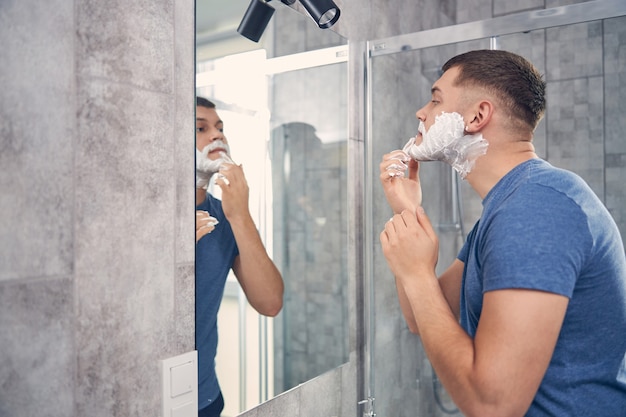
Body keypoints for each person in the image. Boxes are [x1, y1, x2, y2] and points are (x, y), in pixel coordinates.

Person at [378, 50, 626, 416]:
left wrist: (416, 272)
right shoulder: (510, 205)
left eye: (435, 99)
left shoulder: (537, 208)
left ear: (477, 116)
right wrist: (407, 211)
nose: (421, 111)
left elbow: (493, 406)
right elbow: (422, 316)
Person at [195, 96, 284, 417]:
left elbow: (270, 302)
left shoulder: (225, 216)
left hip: (206, 398)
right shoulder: (149, 215)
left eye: (220, 128)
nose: (217, 135)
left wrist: (240, 214)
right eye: (200, 128)